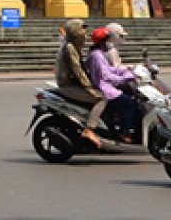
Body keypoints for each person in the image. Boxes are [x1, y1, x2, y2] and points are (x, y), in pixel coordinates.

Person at [55, 19, 105, 148]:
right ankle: (89, 129)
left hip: (73, 83)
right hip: (68, 86)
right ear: (75, 31)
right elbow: (78, 70)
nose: (85, 33)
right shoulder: (70, 48)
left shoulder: (74, 46)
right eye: (83, 29)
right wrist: (90, 88)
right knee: (102, 99)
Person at [87, 27, 137, 143]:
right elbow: (106, 76)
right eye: (108, 40)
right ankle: (124, 133)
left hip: (106, 86)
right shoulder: (97, 56)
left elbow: (110, 69)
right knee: (130, 103)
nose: (110, 43)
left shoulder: (99, 54)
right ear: (102, 42)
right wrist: (124, 78)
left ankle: (113, 129)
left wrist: (126, 71)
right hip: (104, 88)